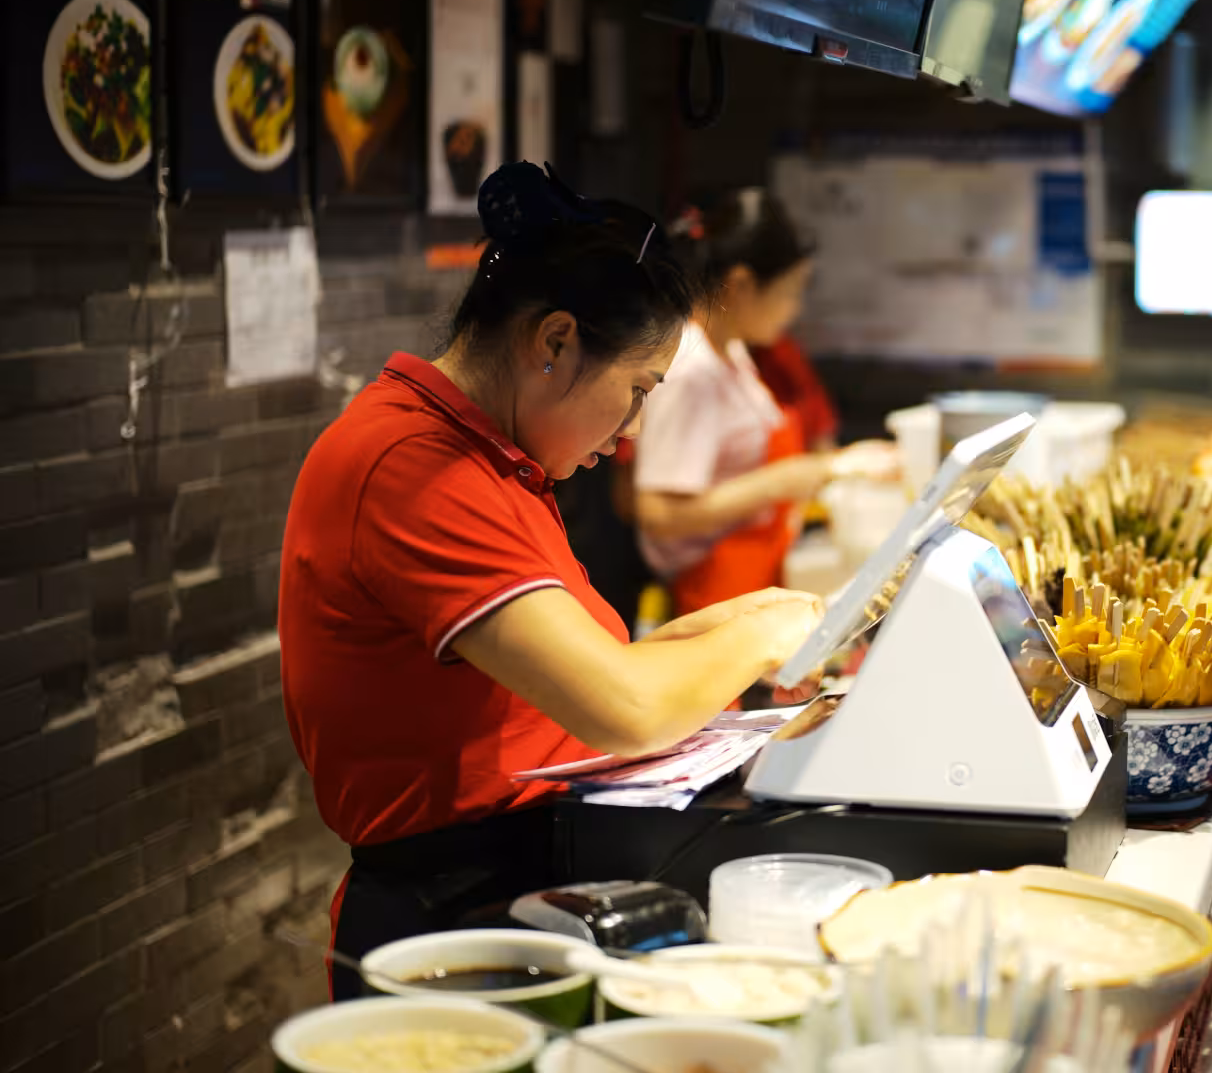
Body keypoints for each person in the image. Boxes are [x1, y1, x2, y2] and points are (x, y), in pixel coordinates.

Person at [279, 163, 825, 999]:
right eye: (637, 389)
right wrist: (758, 636)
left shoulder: (491, 455)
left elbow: (595, 664)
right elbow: (624, 705)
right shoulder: (414, 468)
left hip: (527, 871)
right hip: (453, 915)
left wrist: (752, 618)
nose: (634, 427)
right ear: (555, 341)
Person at [633, 188, 900, 616]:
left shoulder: (733, 351)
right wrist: (786, 480)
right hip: (706, 591)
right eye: (790, 292)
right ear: (741, 284)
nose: (794, 309)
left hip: (754, 574)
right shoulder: (690, 369)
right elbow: (658, 513)